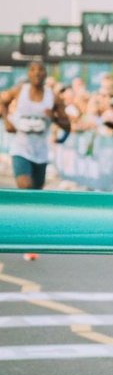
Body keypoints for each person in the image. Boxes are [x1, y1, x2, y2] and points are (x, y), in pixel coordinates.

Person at [0, 59, 71, 261]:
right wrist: (7, 120)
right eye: (33, 70)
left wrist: (55, 117)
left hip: (41, 153)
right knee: (25, 186)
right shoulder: (19, 91)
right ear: (29, 74)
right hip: (20, 149)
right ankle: (24, 237)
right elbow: (2, 102)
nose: (37, 73)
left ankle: (29, 236)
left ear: (46, 74)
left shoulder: (53, 98)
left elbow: (68, 126)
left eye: (41, 70)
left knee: (34, 196)